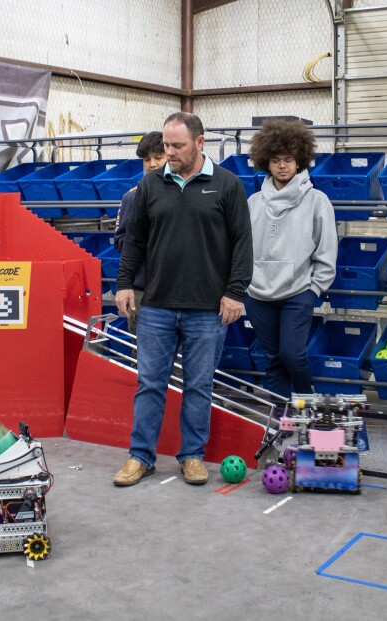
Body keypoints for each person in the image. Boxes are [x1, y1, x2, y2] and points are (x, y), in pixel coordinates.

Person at [112, 112, 253, 487]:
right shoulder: (150, 186)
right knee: (150, 383)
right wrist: (124, 283)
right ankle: (140, 457)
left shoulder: (227, 185)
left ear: (200, 142)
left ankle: (192, 456)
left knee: (198, 385)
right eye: (166, 145)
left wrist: (235, 292)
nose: (169, 152)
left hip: (207, 308)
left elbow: (243, 243)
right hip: (156, 304)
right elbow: (134, 241)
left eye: (177, 146)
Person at [244, 119, 337, 399]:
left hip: (298, 292)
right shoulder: (253, 204)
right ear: (266, 163)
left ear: (300, 162)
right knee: (272, 358)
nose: (282, 165)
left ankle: (307, 405)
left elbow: (327, 249)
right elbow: (241, 249)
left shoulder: (317, 201)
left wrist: (315, 289)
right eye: (275, 160)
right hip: (257, 293)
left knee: (292, 355)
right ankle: (281, 417)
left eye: (288, 159)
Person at [112, 131, 166, 330]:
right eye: (146, 159)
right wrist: (148, 240)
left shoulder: (186, 196)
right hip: (142, 291)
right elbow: (120, 241)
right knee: (142, 355)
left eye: (158, 158)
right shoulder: (132, 198)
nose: (152, 164)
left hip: (179, 293)